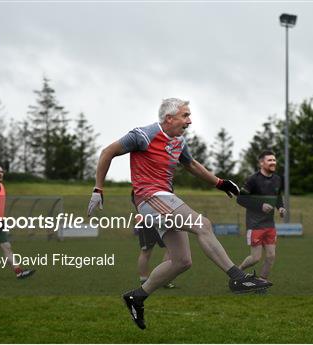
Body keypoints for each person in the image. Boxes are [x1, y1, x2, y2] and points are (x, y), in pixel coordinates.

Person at [87, 98, 272, 330]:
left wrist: (220, 183)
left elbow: (192, 164)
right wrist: (98, 188)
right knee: (202, 224)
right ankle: (237, 277)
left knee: (182, 261)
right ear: (169, 118)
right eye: (185, 116)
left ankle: (137, 297)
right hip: (150, 198)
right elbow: (108, 152)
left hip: (164, 198)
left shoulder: (178, 141)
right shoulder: (142, 135)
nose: (190, 120)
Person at [237, 150, 285, 285]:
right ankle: (237, 272)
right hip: (255, 225)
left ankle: (262, 280)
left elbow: (278, 197)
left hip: (270, 225)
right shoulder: (253, 179)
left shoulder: (277, 179)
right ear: (261, 163)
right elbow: (240, 199)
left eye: (274, 160)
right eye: (269, 160)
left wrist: (280, 207)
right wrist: (260, 206)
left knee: (271, 256)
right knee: (255, 258)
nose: (273, 162)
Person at [135, 215, 176, 289]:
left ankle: (162, 280)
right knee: (146, 252)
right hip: (152, 221)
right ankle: (161, 280)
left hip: (156, 220)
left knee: (169, 249)